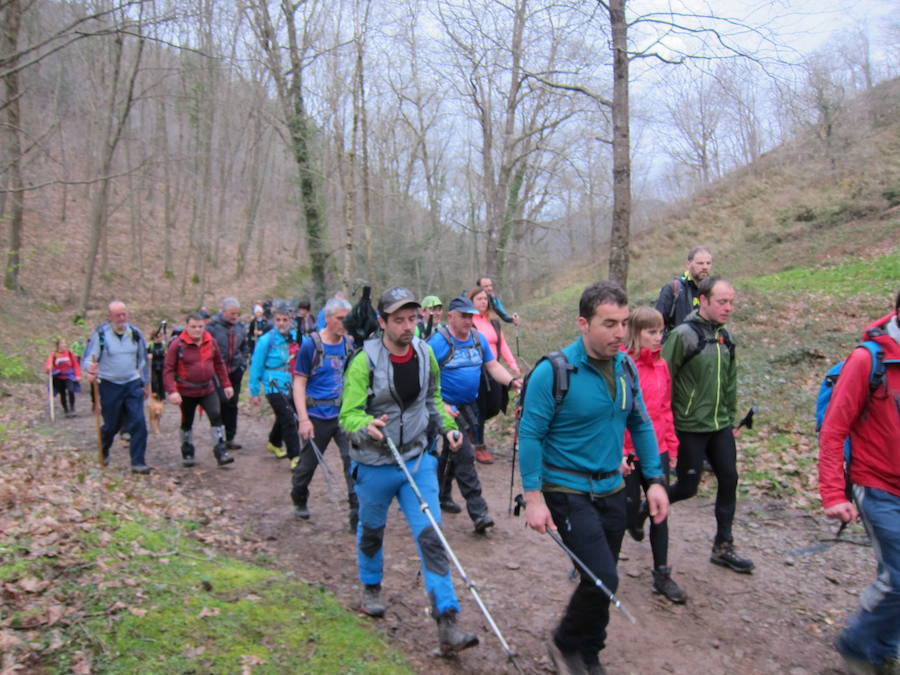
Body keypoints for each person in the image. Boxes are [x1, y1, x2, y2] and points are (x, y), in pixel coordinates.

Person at [518, 280, 668, 674]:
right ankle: (564, 642)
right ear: (583, 324)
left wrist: (654, 480)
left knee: (604, 575)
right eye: (609, 324)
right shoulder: (553, 372)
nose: (620, 333)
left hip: (612, 488)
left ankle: (590, 652)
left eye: (623, 323)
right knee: (602, 575)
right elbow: (530, 435)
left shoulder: (625, 366)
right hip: (567, 489)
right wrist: (533, 499)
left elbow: (640, 422)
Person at [339, 286, 478, 655]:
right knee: (372, 531)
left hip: (417, 462)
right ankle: (371, 587)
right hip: (374, 464)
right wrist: (365, 425)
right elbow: (347, 413)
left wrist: (447, 428)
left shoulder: (424, 353)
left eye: (412, 318)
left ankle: (447, 621)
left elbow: (432, 398)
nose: (407, 326)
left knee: (432, 536)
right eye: (398, 319)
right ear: (382, 322)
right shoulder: (363, 361)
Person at [818, 290, 900, 675]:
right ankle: (856, 643)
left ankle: (883, 647)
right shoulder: (869, 360)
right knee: (899, 575)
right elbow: (834, 429)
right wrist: (834, 493)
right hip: (877, 485)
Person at [661, 276, 753, 574]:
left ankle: (723, 546)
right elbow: (663, 380)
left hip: (720, 426)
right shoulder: (683, 336)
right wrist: (665, 424)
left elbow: (730, 381)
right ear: (703, 300)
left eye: (731, 302)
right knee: (687, 487)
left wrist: (730, 418)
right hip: (689, 426)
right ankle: (641, 510)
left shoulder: (727, 337)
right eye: (722, 302)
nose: (729, 307)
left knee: (729, 479)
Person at [428, 296, 522, 533]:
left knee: (453, 450)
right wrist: (442, 404)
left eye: (471, 316)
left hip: (470, 406)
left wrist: (511, 382)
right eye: (464, 316)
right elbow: (426, 379)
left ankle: (441, 494)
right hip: (446, 408)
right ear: (451, 316)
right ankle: (479, 512)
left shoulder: (477, 339)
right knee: (465, 455)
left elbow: (492, 366)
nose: (469, 320)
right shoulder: (438, 343)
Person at [621, 306, 686, 604]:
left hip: (657, 450)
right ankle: (596, 566)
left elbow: (664, 408)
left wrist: (671, 446)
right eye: (651, 331)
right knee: (624, 509)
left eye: (660, 331)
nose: (658, 337)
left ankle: (662, 574)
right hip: (628, 453)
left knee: (661, 512)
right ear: (635, 333)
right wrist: (617, 452)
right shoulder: (621, 365)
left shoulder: (661, 366)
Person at [290, 297, 357, 529]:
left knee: (352, 461)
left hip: (343, 415)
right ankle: (299, 497)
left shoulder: (350, 344)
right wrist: (304, 419)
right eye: (340, 318)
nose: (344, 322)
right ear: (328, 318)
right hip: (317, 415)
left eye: (347, 318)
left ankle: (356, 512)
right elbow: (299, 382)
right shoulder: (311, 345)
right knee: (307, 465)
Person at [82, 301, 151, 473]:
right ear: (109, 317)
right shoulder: (101, 335)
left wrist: (146, 382)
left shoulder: (135, 333)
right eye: (117, 315)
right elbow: (87, 359)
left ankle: (138, 462)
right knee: (112, 424)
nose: (122, 318)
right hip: (109, 384)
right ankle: (103, 448)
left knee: (139, 422)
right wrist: (90, 368)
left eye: (124, 314)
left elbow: (143, 359)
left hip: (132, 382)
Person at [164, 313, 235, 467]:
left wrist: (226, 384)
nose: (197, 330)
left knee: (216, 416)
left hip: (208, 389)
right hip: (186, 391)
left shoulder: (211, 342)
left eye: (200, 327)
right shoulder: (177, 345)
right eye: (193, 327)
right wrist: (172, 391)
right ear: (187, 327)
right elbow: (168, 369)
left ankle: (221, 451)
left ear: (205, 326)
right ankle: (187, 450)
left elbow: (219, 364)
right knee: (187, 420)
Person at [469, 285, 521, 464]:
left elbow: (503, 345)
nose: (483, 302)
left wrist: (513, 365)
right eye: (479, 299)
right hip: (476, 371)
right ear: (471, 302)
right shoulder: (470, 323)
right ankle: (479, 445)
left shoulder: (494, 322)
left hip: (494, 369)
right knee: (480, 408)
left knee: (495, 405)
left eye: (485, 299)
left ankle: (471, 427)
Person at [248, 302, 301, 462]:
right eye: (278, 320)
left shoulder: (297, 337)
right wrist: (254, 391)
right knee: (289, 417)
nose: (281, 323)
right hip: (273, 383)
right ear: (274, 321)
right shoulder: (266, 340)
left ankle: (274, 442)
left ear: (290, 321)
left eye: (285, 320)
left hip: (292, 383)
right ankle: (295, 456)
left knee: (286, 415)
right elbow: (256, 365)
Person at [206, 298, 250, 450]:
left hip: (235, 370)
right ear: (223, 312)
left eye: (237, 314)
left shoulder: (240, 327)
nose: (235, 316)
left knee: (232, 404)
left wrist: (243, 363)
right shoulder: (212, 328)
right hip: (217, 372)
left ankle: (230, 437)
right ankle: (219, 438)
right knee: (218, 405)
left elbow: (245, 346)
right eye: (232, 313)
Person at [655, 246, 713, 336]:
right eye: (700, 263)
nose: (705, 267)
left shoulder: (712, 291)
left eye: (708, 263)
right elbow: (656, 324)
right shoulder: (673, 289)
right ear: (688, 264)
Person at [45, 338, 81, 417]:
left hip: (69, 376)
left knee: (71, 390)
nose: (64, 345)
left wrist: (77, 375)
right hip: (59, 377)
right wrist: (49, 368)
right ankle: (66, 410)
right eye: (62, 343)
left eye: (64, 343)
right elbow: (49, 364)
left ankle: (72, 408)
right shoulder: (54, 354)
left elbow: (75, 365)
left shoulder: (69, 354)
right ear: (58, 345)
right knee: (63, 394)